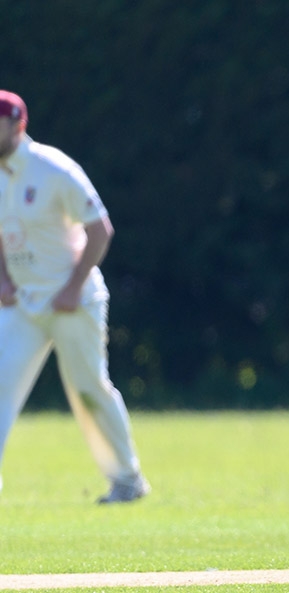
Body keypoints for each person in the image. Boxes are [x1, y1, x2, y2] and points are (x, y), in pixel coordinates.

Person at [0, 90, 150, 504]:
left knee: (87, 390)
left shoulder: (53, 168)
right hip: (23, 305)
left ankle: (128, 481)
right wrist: (3, 280)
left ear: (18, 126)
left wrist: (71, 286)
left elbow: (100, 230)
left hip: (74, 302)